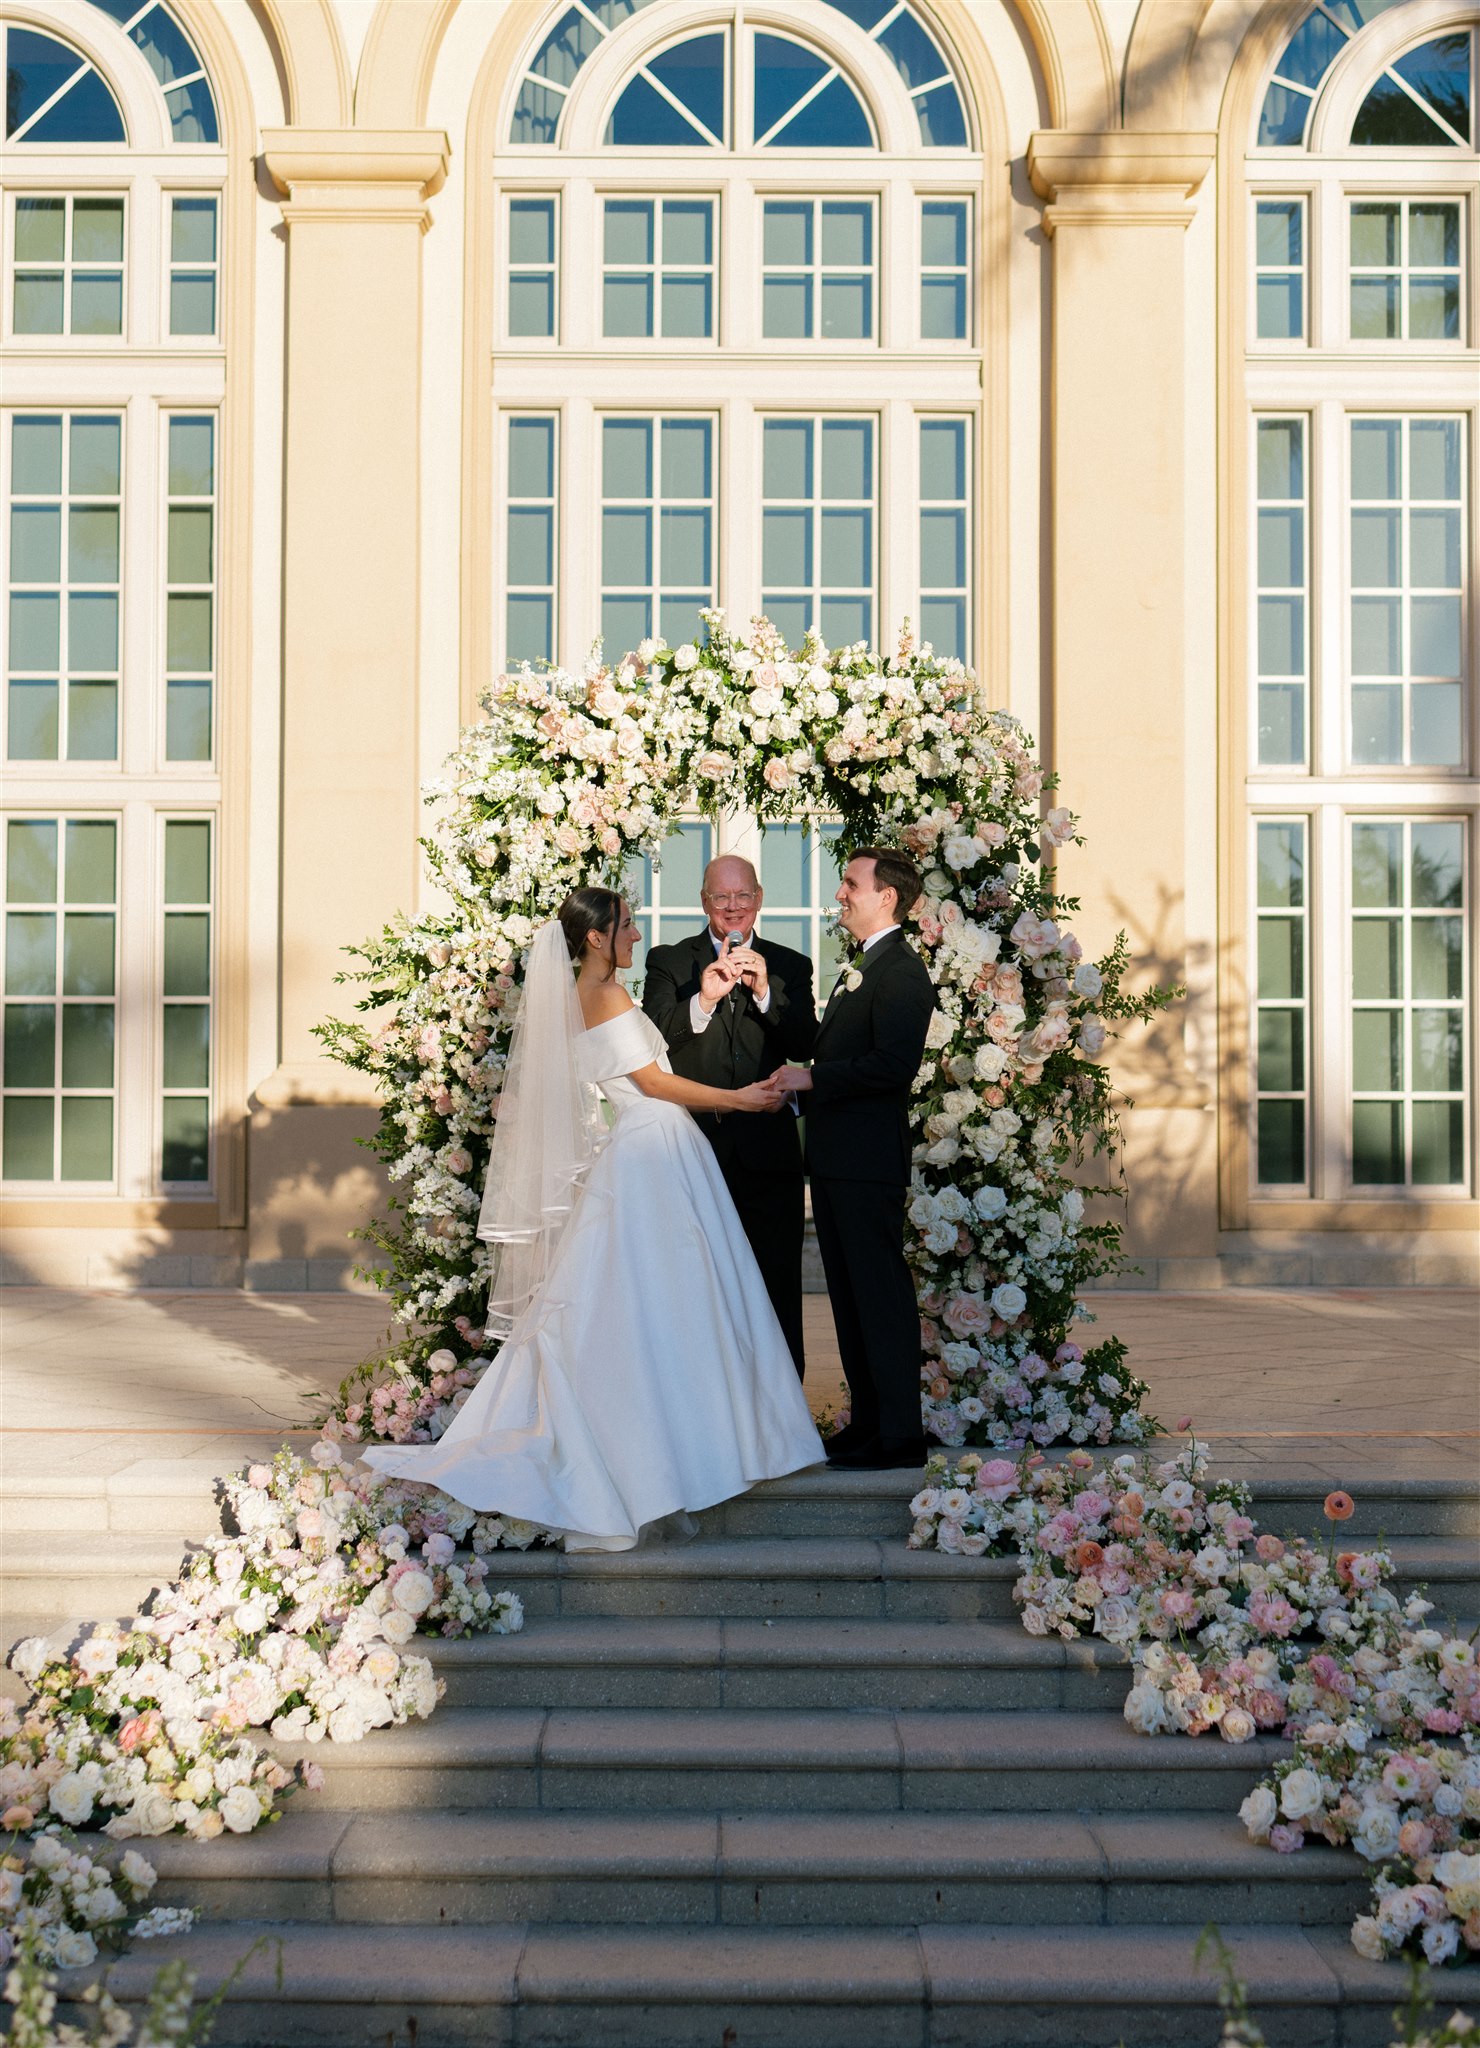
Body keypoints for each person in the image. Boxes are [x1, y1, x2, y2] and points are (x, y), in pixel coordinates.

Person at [361, 889, 824, 1550]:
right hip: (651, 1148)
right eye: (627, 926)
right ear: (598, 938)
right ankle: (683, 1439)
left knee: (654, 1298)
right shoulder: (602, 995)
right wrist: (741, 1101)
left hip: (655, 1147)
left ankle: (682, 1435)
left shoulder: (591, 994)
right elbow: (656, 1084)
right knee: (666, 1297)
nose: (635, 935)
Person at [774, 848, 935, 1472]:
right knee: (848, 1297)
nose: (841, 894)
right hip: (841, 1160)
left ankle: (899, 1436)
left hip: (869, 1162)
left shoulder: (900, 972)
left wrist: (812, 1080)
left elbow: (894, 1066)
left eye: (851, 883)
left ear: (886, 896)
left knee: (878, 1296)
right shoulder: (864, 966)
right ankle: (869, 1423)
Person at [643, 856, 817, 1379]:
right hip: (694, 1151)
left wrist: (766, 993)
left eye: (743, 897)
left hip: (770, 1154)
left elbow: (806, 1043)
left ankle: (784, 1415)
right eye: (722, 898)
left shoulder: (792, 964)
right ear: (704, 903)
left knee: (776, 1284)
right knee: (694, 1286)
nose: (733, 907)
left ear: (759, 900)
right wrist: (702, 999)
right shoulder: (668, 962)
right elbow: (650, 1042)